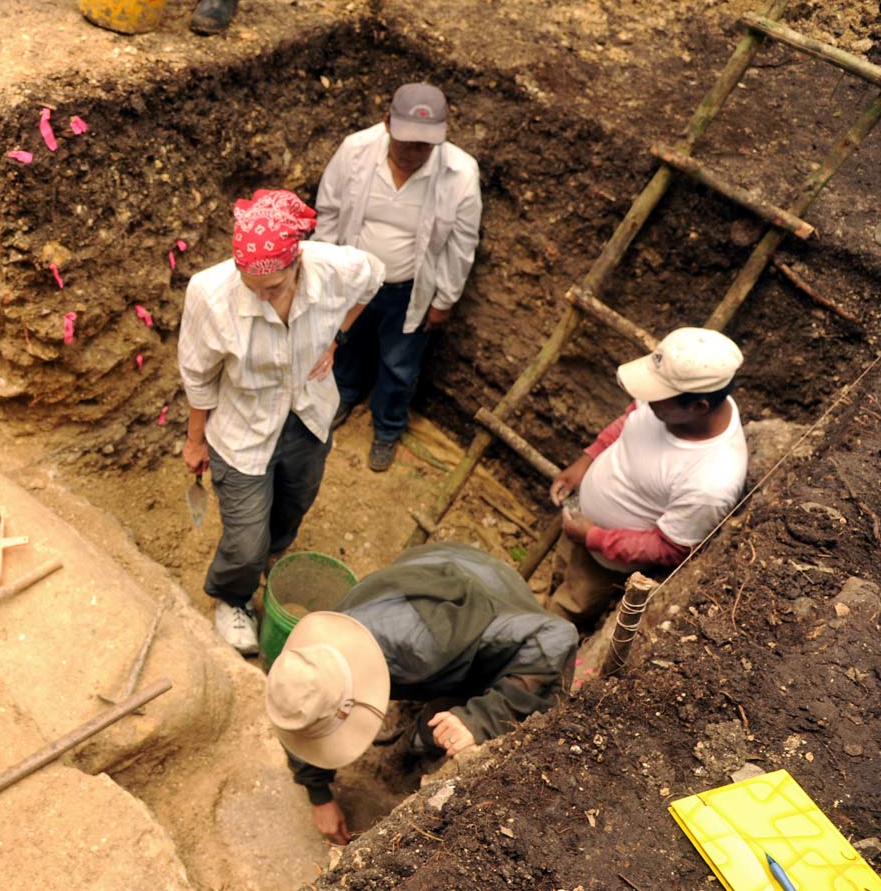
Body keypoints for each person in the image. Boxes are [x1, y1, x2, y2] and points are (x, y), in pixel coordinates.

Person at [180, 190, 385, 655]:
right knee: (245, 539)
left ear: (298, 264)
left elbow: (375, 277)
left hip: (308, 415)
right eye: (250, 285)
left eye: (273, 288)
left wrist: (337, 335)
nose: (260, 297)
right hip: (243, 429)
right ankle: (233, 596)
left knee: (295, 501)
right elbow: (197, 373)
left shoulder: (334, 268)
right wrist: (195, 441)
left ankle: (275, 554)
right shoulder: (209, 294)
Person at [266, 543, 577, 843]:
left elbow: (557, 636)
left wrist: (481, 718)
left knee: (486, 718)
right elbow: (304, 708)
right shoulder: (328, 643)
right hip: (435, 570)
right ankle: (416, 740)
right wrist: (318, 795)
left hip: (495, 600)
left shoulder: (425, 650)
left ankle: (423, 742)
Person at [312, 83, 483, 472]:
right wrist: (327, 272)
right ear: (388, 123)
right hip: (354, 280)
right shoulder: (355, 150)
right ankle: (344, 397)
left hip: (408, 289)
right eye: (407, 142)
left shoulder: (460, 173)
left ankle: (388, 429)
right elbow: (329, 210)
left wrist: (444, 300)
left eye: (425, 145)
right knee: (345, 343)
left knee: (400, 364)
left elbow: (461, 243)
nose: (414, 152)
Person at [546, 327, 748, 628]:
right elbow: (631, 418)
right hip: (580, 522)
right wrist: (587, 459)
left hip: (604, 564)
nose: (644, 398)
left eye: (656, 396)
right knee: (557, 579)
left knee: (562, 616)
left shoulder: (711, 481)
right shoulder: (670, 401)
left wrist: (594, 537)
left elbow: (669, 548)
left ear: (698, 407)